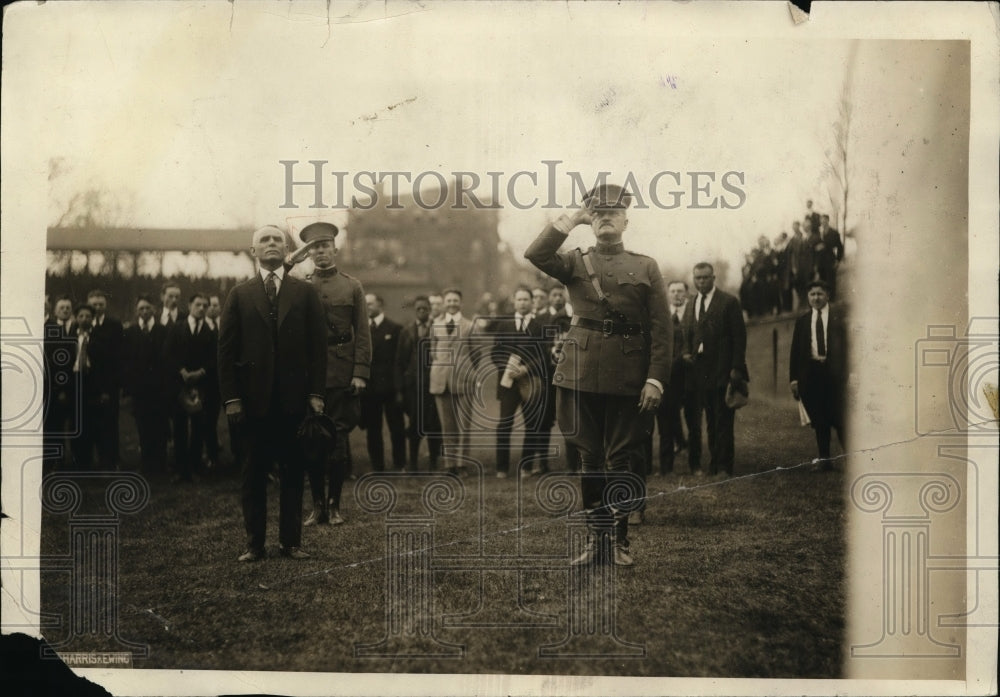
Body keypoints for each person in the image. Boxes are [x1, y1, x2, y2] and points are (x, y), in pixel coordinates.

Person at [525, 183, 671, 567]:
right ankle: (596, 541)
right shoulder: (576, 261)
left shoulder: (646, 266)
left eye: (613, 213)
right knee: (590, 459)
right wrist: (571, 218)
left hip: (629, 375)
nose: (606, 218)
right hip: (581, 373)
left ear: (626, 220)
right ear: (591, 220)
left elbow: (662, 329)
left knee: (620, 459)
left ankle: (620, 542)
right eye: (598, 213)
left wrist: (655, 378)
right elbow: (535, 253)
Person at [219, 225, 328, 562]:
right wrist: (232, 398)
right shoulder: (239, 294)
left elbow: (318, 349)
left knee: (293, 471)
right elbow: (225, 351)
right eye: (264, 240)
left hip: (294, 400)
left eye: (276, 240)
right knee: (252, 474)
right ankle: (254, 544)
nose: (271, 244)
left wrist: (316, 393)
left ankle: (291, 542)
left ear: (286, 249)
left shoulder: (304, 292)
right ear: (254, 251)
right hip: (253, 403)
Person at [297, 222, 370, 527]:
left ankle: (335, 504)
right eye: (314, 248)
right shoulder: (301, 286)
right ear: (308, 253)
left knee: (338, 439)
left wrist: (360, 373)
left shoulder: (352, 286)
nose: (320, 252)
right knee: (313, 439)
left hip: (342, 372)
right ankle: (316, 506)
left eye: (325, 246)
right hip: (310, 374)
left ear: (335, 249)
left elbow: (363, 333)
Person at [682, 263, 748, 478]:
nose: (701, 282)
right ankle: (714, 463)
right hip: (700, 370)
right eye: (697, 278)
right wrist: (687, 351)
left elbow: (739, 337)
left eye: (705, 278)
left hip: (722, 368)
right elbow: (688, 331)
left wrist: (736, 368)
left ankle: (724, 466)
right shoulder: (692, 301)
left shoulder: (728, 302)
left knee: (723, 420)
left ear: (713, 278)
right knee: (710, 419)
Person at [491, 287, 549, 478]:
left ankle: (526, 466)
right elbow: (494, 353)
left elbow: (544, 356)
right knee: (504, 424)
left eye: (526, 299)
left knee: (531, 424)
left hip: (530, 381)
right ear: (514, 302)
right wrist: (507, 368)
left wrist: (525, 369)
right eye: (519, 299)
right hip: (508, 384)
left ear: (532, 302)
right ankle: (501, 468)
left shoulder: (539, 326)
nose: (523, 303)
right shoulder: (504, 325)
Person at [789, 280, 847, 467]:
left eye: (820, 294)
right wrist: (794, 379)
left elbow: (848, 348)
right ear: (807, 297)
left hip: (835, 373)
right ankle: (824, 459)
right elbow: (795, 352)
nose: (816, 298)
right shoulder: (803, 321)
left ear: (827, 295)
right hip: (811, 374)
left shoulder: (838, 319)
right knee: (819, 418)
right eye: (812, 294)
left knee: (840, 417)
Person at [428, 288, 482, 477]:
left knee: (464, 426)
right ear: (443, 303)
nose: (452, 304)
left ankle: (462, 465)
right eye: (448, 301)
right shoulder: (436, 325)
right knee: (447, 426)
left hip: (464, 380)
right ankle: (450, 464)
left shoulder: (470, 326)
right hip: (441, 382)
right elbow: (433, 351)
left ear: (461, 303)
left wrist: (467, 371)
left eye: (455, 300)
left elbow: (478, 355)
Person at [164, 293, 217, 483]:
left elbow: (214, 358)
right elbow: (168, 353)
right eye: (198, 305)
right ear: (189, 305)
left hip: (201, 386)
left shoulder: (211, 333)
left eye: (205, 305)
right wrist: (182, 371)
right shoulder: (177, 328)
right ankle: (180, 469)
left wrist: (201, 372)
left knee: (198, 428)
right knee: (179, 428)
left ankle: (195, 466)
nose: (202, 308)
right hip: (180, 385)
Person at [650, 280, 693, 476]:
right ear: (668, 294)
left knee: (693, 420)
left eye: (680, 291)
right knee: (666, 420)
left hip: (690, 376)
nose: (676, 295)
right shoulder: (663, 316)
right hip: (669, 376)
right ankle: (666, 466)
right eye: (673, 291)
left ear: (686, 293)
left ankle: (695, 462)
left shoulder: (692, 314)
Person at [394, 295, 442, 471]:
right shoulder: (406, 331)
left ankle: (433, 463)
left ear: (430, 310)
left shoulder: (437, 330)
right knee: (414, 425)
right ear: (415, 310)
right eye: (419, 309)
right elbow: (399, 362)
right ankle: (413, 463)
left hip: (433, 385)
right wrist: (399, 390)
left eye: (425, 309)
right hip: (413, 388)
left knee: (434, 426)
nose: (422, 312)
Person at [122, 295, 169, 472]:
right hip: (140, 390)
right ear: (136, 311)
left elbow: (166, 360)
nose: (144, 311)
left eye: (147, 308)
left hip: (159, 389)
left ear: (154, 310)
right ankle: (147, 463)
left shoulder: (162, 331)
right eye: (141, 308)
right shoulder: (131, 332)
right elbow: (127, 361)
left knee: (160, 426)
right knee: (143, 426)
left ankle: (160, 463)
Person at [360, 293, 406, 471]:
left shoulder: (395, 329)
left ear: (380, 305)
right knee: (373, 430)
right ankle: (377, 466)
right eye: (365, 304)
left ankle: (400, 463)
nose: (367, 307)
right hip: (370, 389)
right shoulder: (362, 329)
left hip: (390, 388)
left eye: (370, 304)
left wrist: (398, 386)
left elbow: (399, 360)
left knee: (396, 428)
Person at [86, 289, 123, 470]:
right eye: (94, 305)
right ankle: (92, 460)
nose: (98, 308)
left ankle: (112, 460)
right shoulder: (83, 323)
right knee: (91, 422)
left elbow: (118, 358)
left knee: (110, 423)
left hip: (109, 383)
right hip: (89, 384)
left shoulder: (114, 325)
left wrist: (110, 387)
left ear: (105, 305)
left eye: (101, 304)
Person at [815, 214, 844, 300]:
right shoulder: (819, 233)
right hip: (821, 262)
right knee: (822, 281)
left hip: (830, 260)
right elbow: (816, 246)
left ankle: (832, 301)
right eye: (821, 220)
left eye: (824, 220)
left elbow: (840, 247)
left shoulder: (834, 233)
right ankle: (825, 300)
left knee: (831, 281)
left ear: (828, 220)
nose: (823, 222)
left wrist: (837, 260)